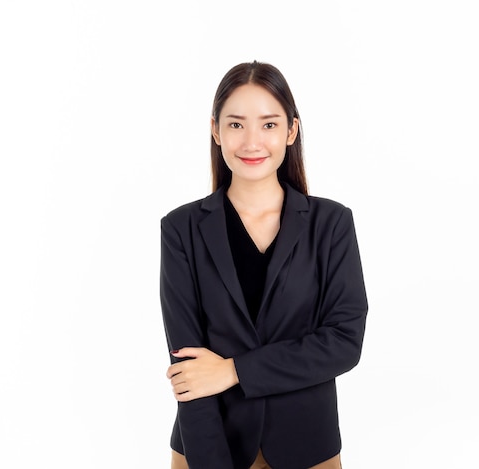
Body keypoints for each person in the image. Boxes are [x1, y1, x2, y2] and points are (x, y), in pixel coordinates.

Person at [160, 60, 368, 469]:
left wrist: (235, 371)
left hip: (308, 447)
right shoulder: (181, 228)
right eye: (236, 125)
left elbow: (344, 342)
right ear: (215, 130)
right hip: (207, 442)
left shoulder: (331, 224)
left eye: (269, 125)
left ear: (291, 130)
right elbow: (189, 370)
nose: (252, 141)